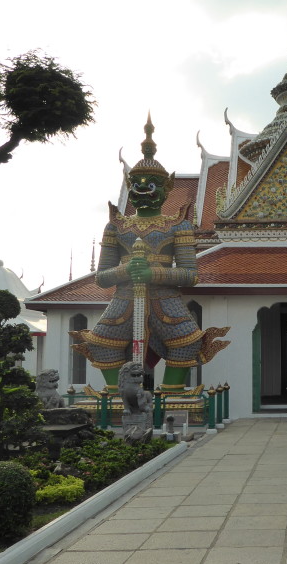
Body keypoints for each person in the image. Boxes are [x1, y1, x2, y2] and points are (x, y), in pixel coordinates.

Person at [70, 115, 228, 393]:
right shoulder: (116, 226)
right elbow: (102, 278)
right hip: (125, 297)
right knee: (101, 344)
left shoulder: (177, 225)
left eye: (150, 184)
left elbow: (190, 275)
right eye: (136, 184)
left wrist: (152, 273)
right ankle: (117, 396)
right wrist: (126, 271)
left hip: (165, 300)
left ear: (167, 189)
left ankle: (172, 394)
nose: (142, 189)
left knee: (186, 343)